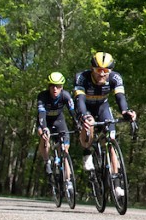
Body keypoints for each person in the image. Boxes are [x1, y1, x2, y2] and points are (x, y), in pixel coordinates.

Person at [73, 51, 136, 184]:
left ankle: (117, 184)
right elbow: (80, 100)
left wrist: (125, 112)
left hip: (102, 106)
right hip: (86, 106)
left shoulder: (115, 78)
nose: (102, 74)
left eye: (105, 70)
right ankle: (87, 151)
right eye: (98, 70)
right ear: (92, 69)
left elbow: (120, 97)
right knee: (89, 123)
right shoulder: (81, 77)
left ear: (110, 70)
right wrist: (84, 116)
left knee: (111, 139)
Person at [36, 71, 76, 186]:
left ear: (61, 87)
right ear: (49, 86)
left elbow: (72, 111)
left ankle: (68, 181)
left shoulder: (66, 95)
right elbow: (41, 114)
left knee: (65, 150)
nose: (55, 89)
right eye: (52, 86)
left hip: (59, 120)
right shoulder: (42, 96)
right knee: (44, 137)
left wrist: (78, 123)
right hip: (44, 121)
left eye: (58, 86)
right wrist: (44, 128)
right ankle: (47, 160)